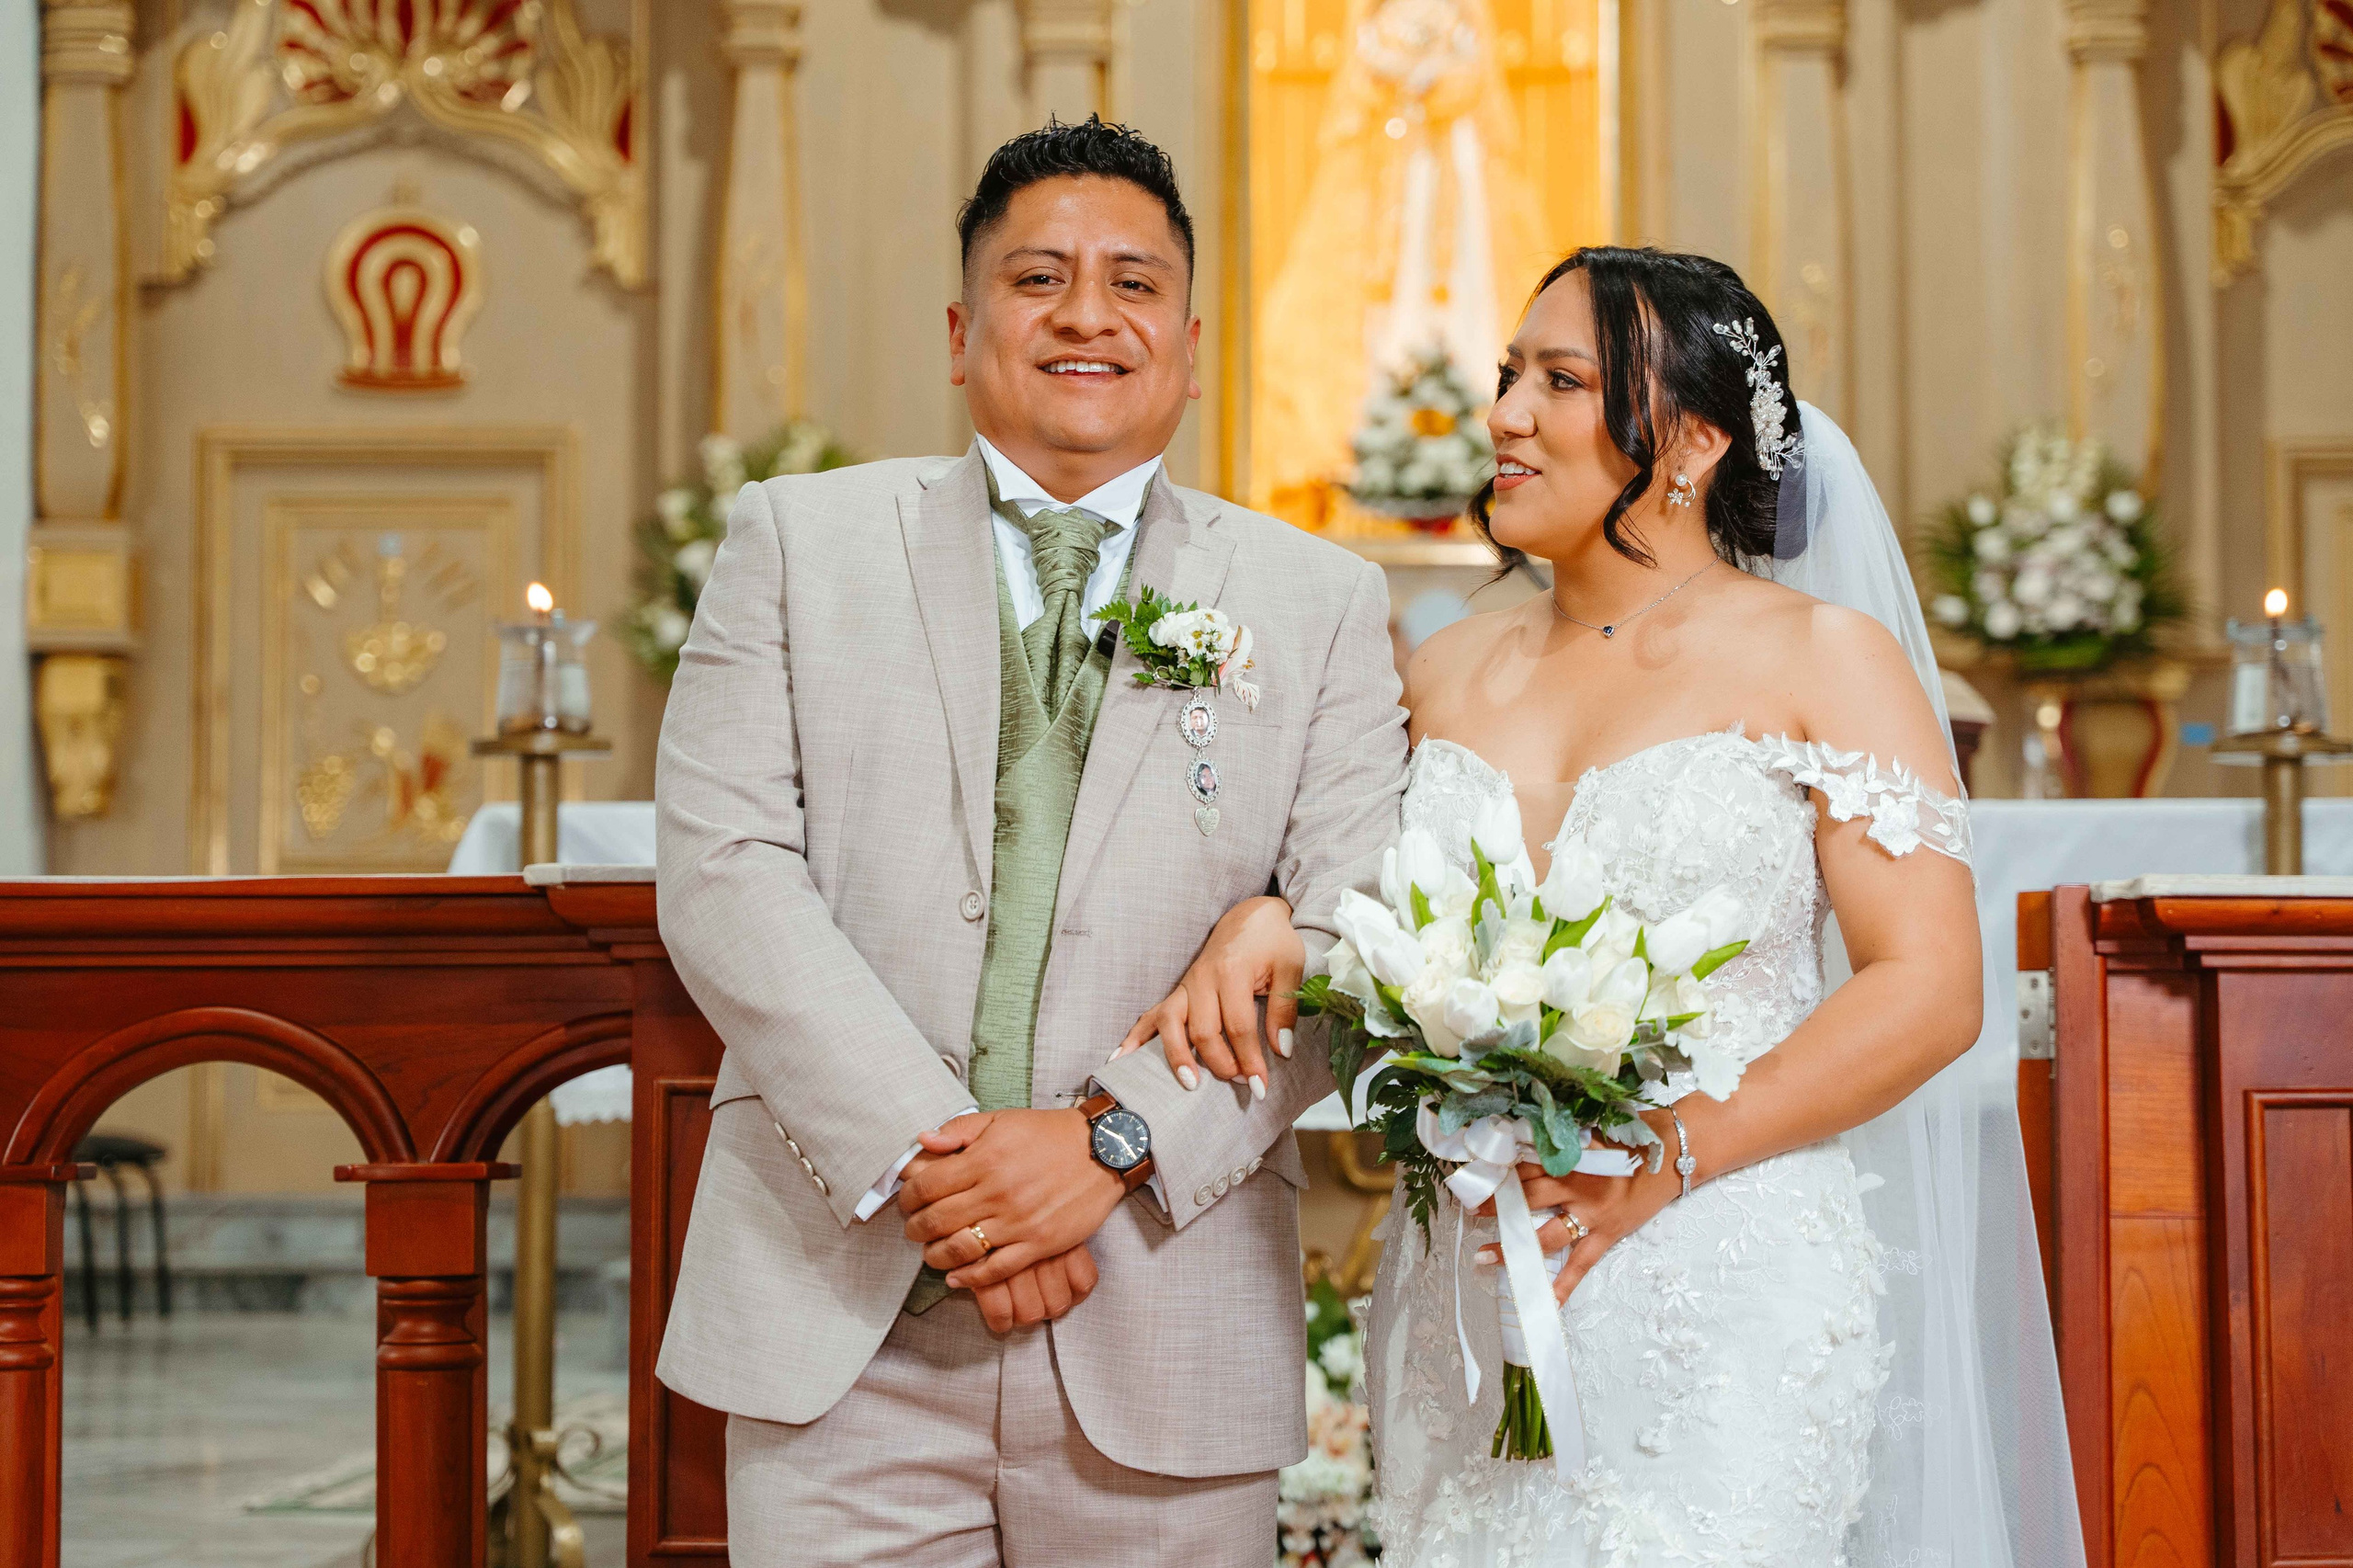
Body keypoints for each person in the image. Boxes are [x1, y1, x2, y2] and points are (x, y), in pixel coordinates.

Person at [1123, 247, 2086, 1566]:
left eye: (1560, 380)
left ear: (1689, 440)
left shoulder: (1821, 658)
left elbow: (1926, 985)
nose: (1506, 412)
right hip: (1468, 1275)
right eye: (1511, 375)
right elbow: (1348, 908)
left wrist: (1668, 1152)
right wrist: (1269, 918)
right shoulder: (1445, 665)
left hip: (1720, 1271)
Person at [651, 117, 1409, 1566]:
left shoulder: (1316, 602)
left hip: (1161, 1314)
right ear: (961, 327)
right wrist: (948, 1169)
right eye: (1038, 276)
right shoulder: (797, 545)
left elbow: (1352, 935)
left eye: (1133, 283)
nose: (1086, 315)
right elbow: (726, 876)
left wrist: (1107, 1143)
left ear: (1189, 340)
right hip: (844, 1312)